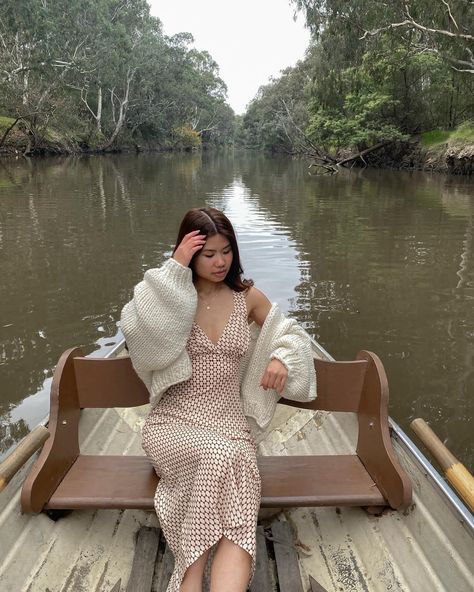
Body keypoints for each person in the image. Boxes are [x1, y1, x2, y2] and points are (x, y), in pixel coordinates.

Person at [120, 208, 316, 592]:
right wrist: (173, 271)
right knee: (225, 457)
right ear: (188, 254)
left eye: (226, 251)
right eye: (208, 253)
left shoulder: (247, 298)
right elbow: (148, 344)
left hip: (230, 424)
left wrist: (282, 357)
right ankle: (189, 582)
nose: (220, 261)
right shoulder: (162, 299)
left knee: (234, 465)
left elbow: (292, 333)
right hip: (172, 425)